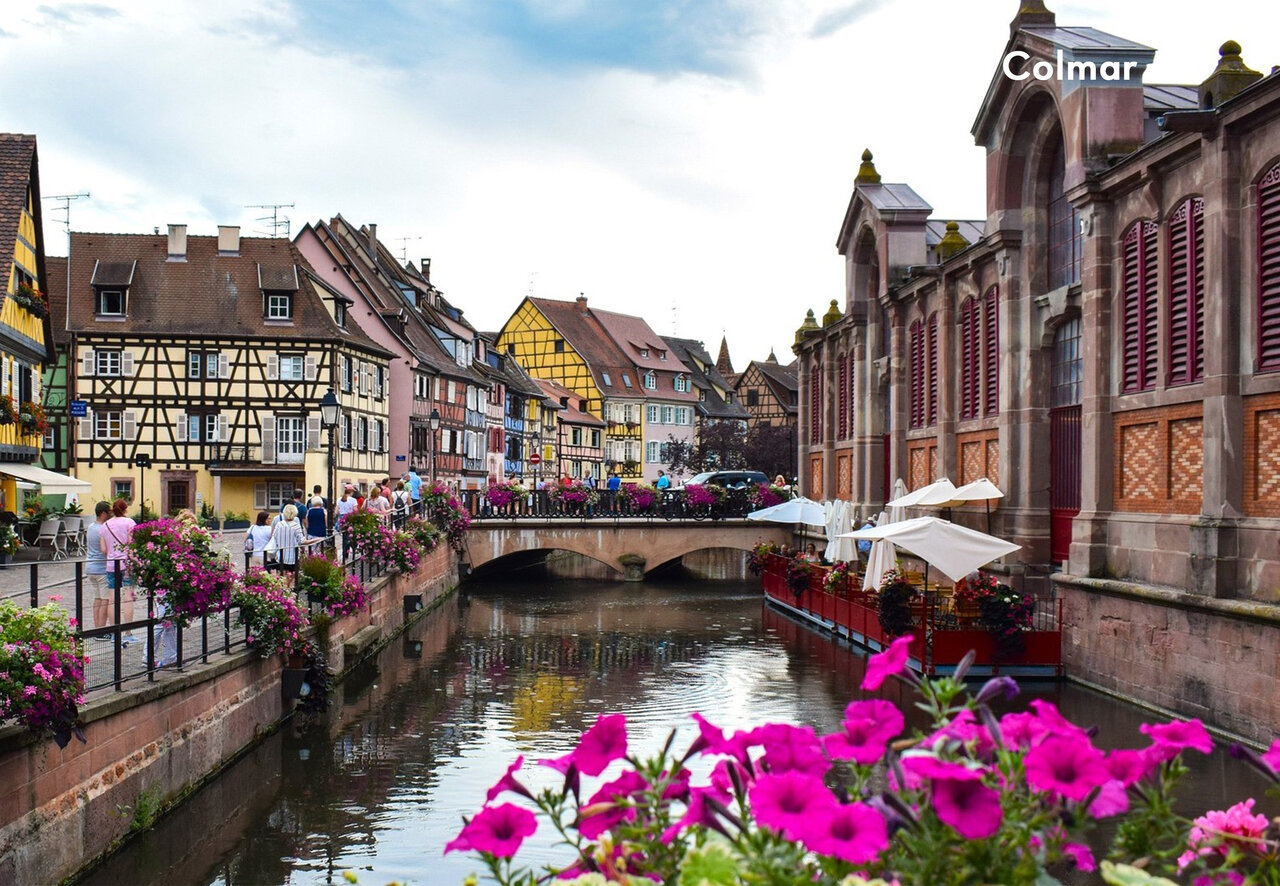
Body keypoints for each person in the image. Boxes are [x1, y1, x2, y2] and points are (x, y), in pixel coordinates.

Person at [100, 499, 138, 647]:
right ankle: (128, 633)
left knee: (112, 599)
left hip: (111, 565)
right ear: (125, 509)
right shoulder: (129, 523)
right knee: (128, 597)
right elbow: (131, 543)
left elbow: (103, 550)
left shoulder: (105, 526)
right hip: (127, 564)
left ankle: (115, 634)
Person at [86, 501, 112, 638]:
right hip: (101, 568)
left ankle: (97, 629)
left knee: (97, 598)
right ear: (103, 513)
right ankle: (101, 631)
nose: (111, 515)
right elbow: (106, 549)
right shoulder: (103, 529)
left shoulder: (90, 527)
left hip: (90, 567)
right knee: (105, 599)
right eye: (109, 512)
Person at [267, 504, 307, 585]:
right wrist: (314, 540)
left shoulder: (279, 524)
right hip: (292, 556)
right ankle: (288, 588)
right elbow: (302, 541)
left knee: (281, 575)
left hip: (280, 555)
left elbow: (274, 537)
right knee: (291, 576)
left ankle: (283, 590)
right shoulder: (296, 525)